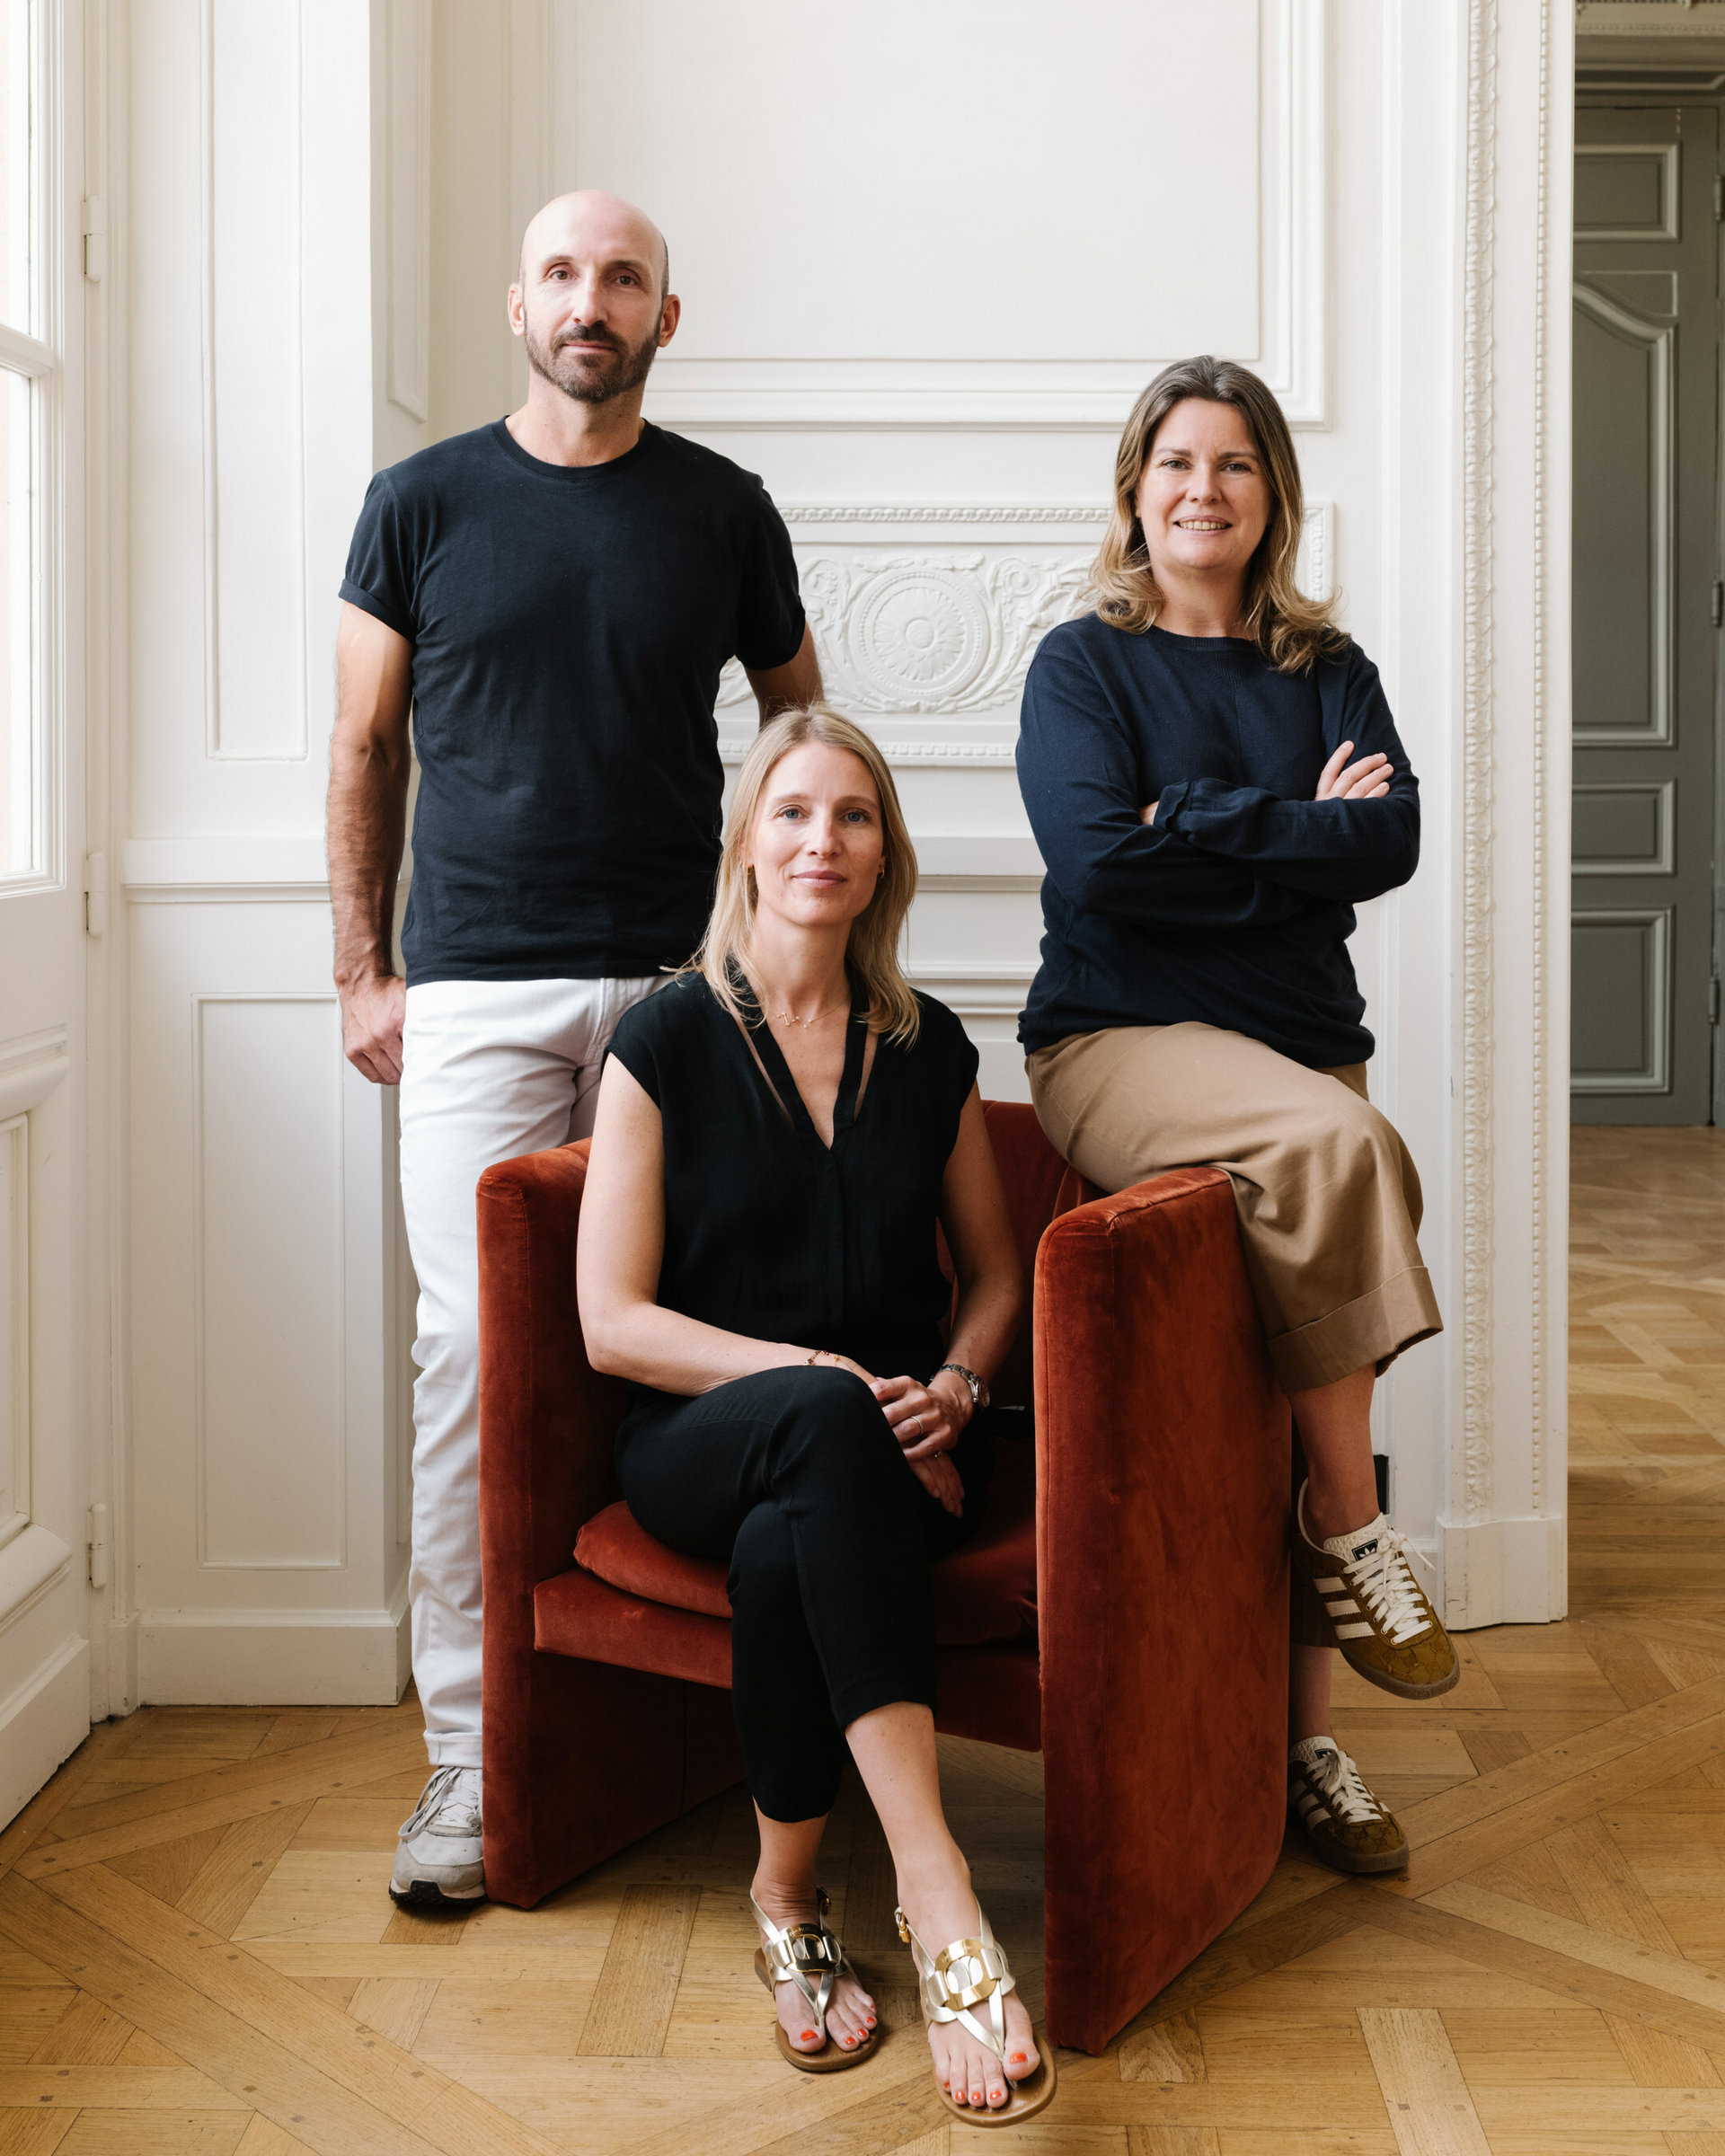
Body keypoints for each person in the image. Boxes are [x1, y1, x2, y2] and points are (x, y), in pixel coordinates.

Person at [327, 190, 822, 1909]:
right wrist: (362, 972)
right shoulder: (420, 502)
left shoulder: (722, 509)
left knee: (695, 1332)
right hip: (472, 993)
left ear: (665, 318)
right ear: (517, 304)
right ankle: (472, 1757)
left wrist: (766, 954)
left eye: (622, 278)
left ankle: (688, 1712)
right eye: (561, 273)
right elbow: (364, 744)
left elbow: (802, 731)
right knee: (474, 1356)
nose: (588, 301)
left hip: (681, 998)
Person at [576, 707, 1057, 2124]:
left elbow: (995, 1274)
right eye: (791, 811)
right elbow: (613, 1322)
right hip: (697, 1444)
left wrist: (958, 1390)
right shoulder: (663, 1039)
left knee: (791, 1542)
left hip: (899, 1455)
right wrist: (817, 1376)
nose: (821, 841)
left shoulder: (927, 1047)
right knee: (817, 1431)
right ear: (744, 843)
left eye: (853, 816)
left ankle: (786, 1899)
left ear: (884, 857)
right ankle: (936, 1884)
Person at [1015, 355, 1456, 1879]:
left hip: (1298, 1050)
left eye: (1236, 464)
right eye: (1177, 462)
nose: (1204, 489)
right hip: (1118, 1040)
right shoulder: (1083, 667)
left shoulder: (1327, 668)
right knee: (1351, 1150)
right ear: (1135, 490)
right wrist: (1295, 840)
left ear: (1274, 495)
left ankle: (1305, 1751)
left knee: (1294, 1361)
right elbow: (1096, 868)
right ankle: (1355, 1524)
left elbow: (1389, 841)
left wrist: (1196, 818)